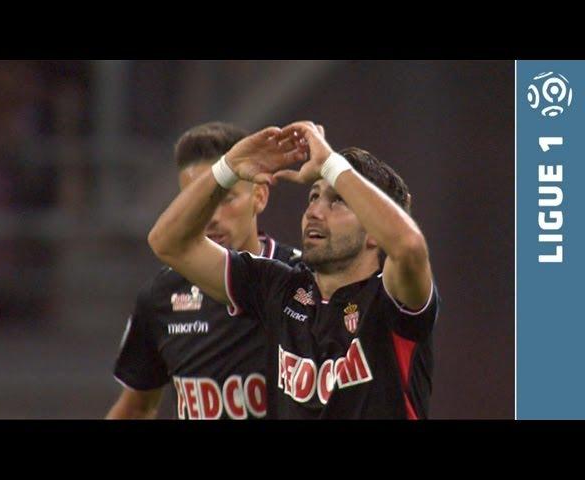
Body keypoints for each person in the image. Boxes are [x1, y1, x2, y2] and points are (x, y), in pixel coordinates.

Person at [147, 121, 440, 419]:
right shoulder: (281, 287)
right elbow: (168, 243)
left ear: (375, 232)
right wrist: (229, 167)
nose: (314, 212)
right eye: (313, 196)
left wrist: (329, 163)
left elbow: (408, 247)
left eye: (338, 200)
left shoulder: (393, 299)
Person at [106, 122, 301, 419]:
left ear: (259, 196)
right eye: (199, 201)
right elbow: (137, 407)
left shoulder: (302, 282)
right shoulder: (162, 295)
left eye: (226, 199)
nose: (210, 218)